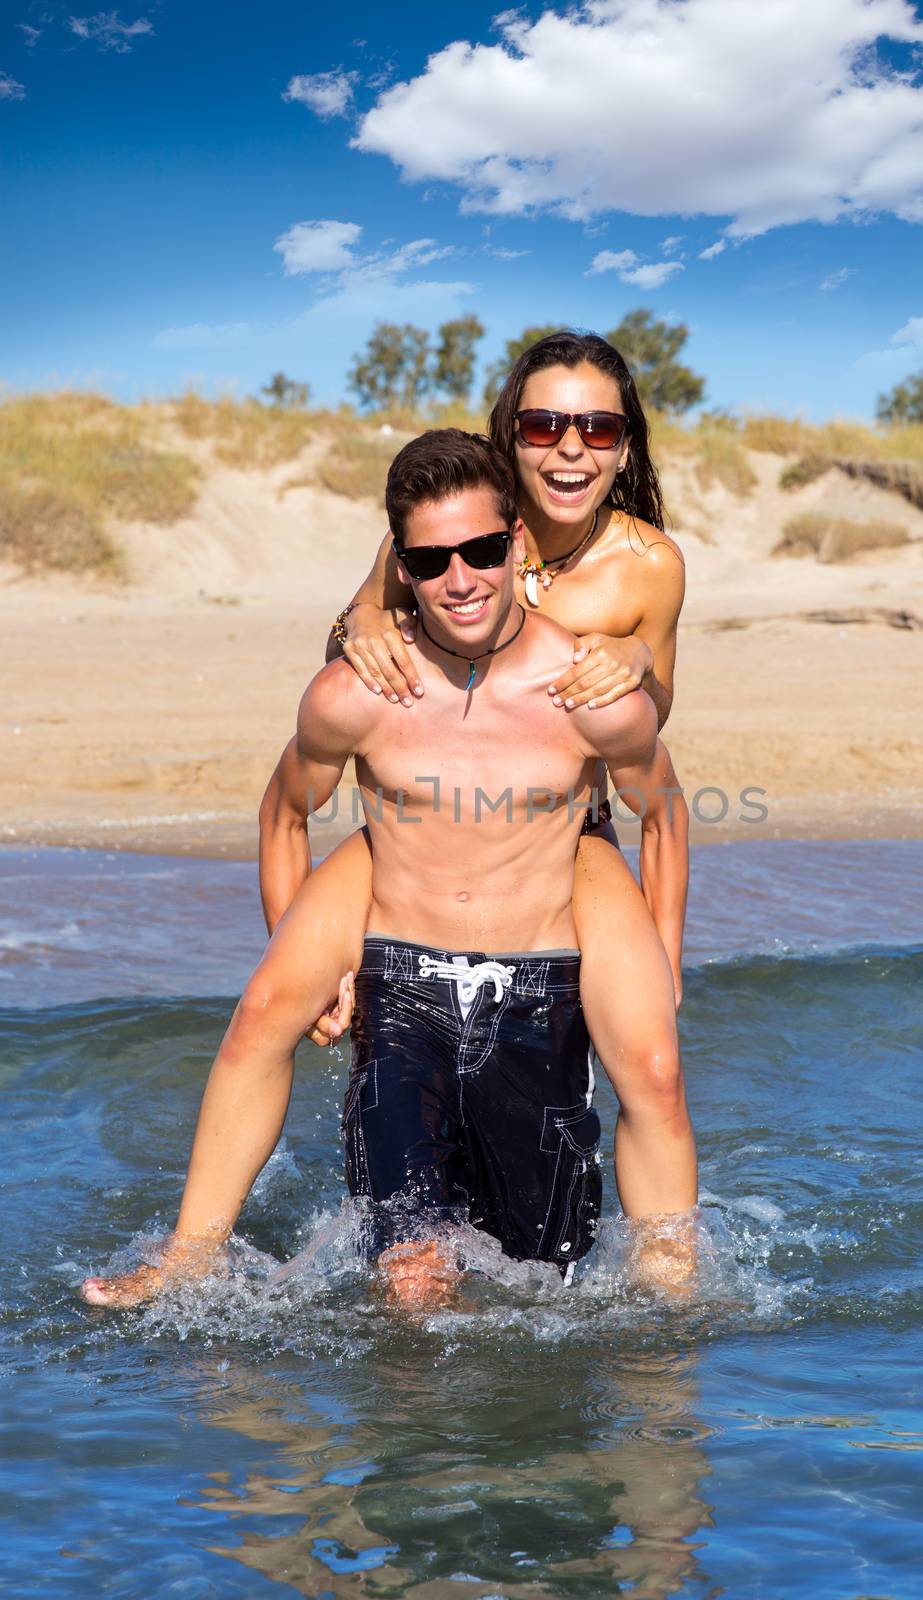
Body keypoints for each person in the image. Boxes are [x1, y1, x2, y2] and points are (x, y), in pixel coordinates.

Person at [81, 431, 696, 1311]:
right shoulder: (359, 692)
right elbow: (281, 812)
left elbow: (665, 815)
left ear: (516, 546)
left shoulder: (587, 696)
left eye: (482, 551)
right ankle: (189, 1256)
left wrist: (664, 961)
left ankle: (672, 1295)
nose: (461, 579)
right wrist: (307, 955)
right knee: (411, 1282)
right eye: (431, 559)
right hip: (403, 965)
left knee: (546, 1286)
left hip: (540, 966)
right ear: (401, 567)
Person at [260, 332, 688, 1107]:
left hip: (565, 826)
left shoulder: (650, 565)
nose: (569, 449)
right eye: (541, 426)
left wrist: (636, 661)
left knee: (627, 1065)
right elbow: (357, 635)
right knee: (320, 1034)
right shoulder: (456, 524)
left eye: (596, 427)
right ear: (508, 434)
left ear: (624, 447)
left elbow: (651, 715)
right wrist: (355, 620)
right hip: (426, 823)